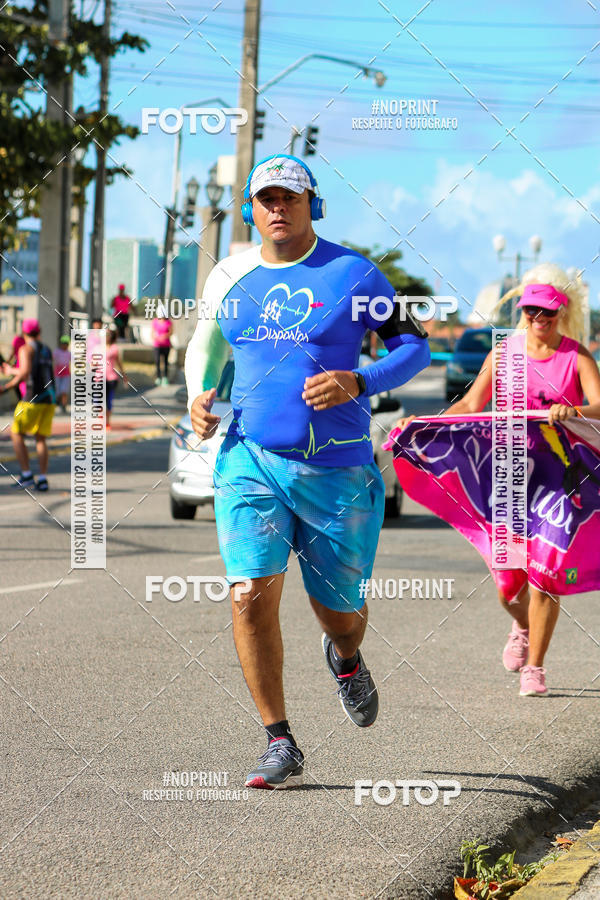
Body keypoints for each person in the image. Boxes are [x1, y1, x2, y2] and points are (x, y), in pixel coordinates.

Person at [185, 154, 430, 789]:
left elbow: (415, 348)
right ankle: (279, 739)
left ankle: (346, 657)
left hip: (337, 473)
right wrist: (201, 393)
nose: (277, 208)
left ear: (310, 203)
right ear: (250, 208)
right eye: (265, 198)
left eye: (289, 197)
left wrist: (360, 379)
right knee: (248, 596)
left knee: (338, 613)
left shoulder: (355, 274)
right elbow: (211, 345)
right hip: (248, 460)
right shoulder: (235, 284)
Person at [397, 263, 600, 697]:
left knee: (546, 573)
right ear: (522, 313)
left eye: (547, 314)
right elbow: (471, 402)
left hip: (560, 478)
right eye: (530, 312)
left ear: (561, 314)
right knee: (509, 585)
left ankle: (536, 667)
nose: (538, 320)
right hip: (507, 475)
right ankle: (521, 624)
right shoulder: (505, 353)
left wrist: (575, 411)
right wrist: (425, 423)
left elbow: (599, 405)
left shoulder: (575, 356)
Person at [0, 318, 56, 490]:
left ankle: (26, 475)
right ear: (39, 331)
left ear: (24, 333)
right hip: (49, 398)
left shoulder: (26, 349)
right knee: (40, 438)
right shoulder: (46, 349)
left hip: (32, 398)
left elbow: (24, 372)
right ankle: (43, 478)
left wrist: (8, 382)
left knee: (16, 434)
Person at [104, 328, 128, 429]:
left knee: (108, 401)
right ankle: (100, 419)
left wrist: (124, 376)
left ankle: (107, 422)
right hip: (99, 377)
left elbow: (119, 363)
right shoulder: (98, 347)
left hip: (111, 378)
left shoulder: (114, 348)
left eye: (108, 335)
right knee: (96, 401)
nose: (106, 337)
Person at [152, 312, 172, 385]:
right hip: (157, 345)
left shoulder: (168, 322)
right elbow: (152, 333)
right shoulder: (155, 321)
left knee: (165, 362)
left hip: (166, 345)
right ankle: (158, 377)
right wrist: (156, 337)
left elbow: (171, 332)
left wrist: (164, 336)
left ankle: (165, 378)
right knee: (157, 361)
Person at [53, 335, 71, 412]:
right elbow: (52, 360)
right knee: (58, 390)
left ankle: (64, 405)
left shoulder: (69, 353)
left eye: (66, 344)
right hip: (58, 373)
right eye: (63, 344)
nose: (65, 346)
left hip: (66, 374)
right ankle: (58, 402)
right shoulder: (56, 352)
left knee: (64, 390)